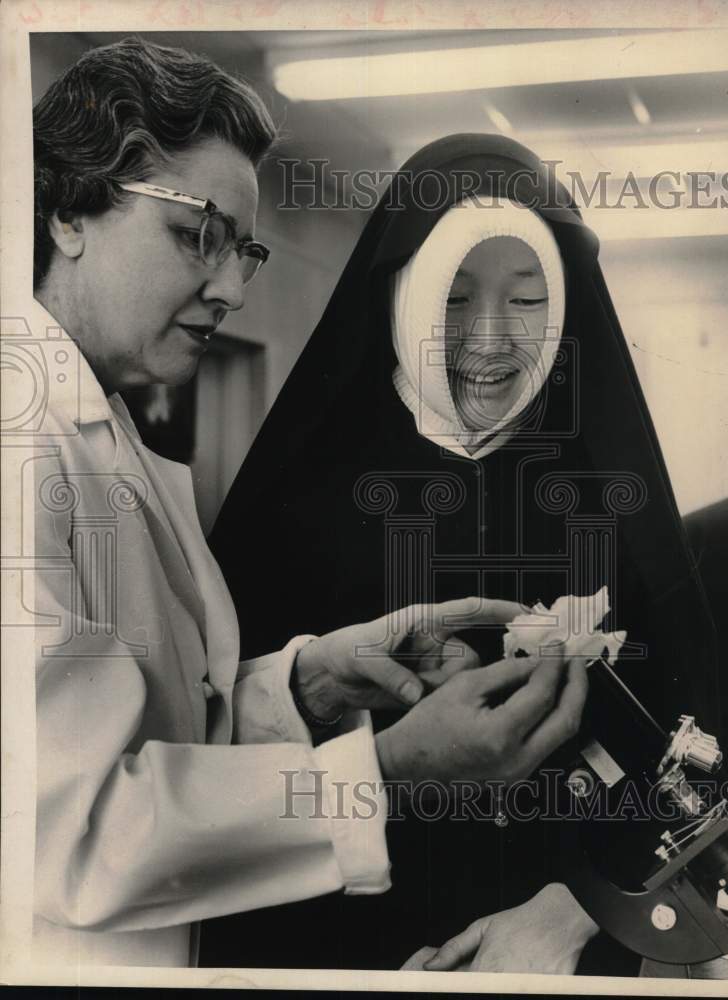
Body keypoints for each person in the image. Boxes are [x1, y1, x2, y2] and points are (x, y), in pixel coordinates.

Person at [28, 41, 588, 969]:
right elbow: (77, 831)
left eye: (241, 249)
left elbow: (161, 735)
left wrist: (310, 684)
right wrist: (392, 769)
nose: (233, 287)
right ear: (66, 213)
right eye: (197, 233)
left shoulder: (102, 427)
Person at [206, 134, 722, 973]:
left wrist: (580, 907)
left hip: (562, 947)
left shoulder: (612, 502)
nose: (489, 340)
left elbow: (704, 752)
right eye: (453, 298)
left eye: (525, 302)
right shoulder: (296, 502)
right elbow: (207, 755)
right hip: (329, 946)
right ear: (402, 297)